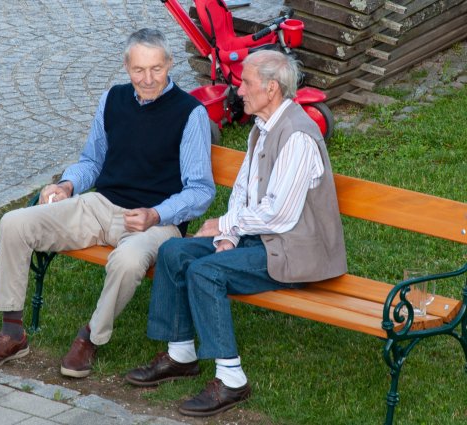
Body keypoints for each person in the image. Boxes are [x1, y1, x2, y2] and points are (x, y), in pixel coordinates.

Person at [0, 28, 215, 378]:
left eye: (156, 69)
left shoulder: (191, 114)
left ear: (170, 64)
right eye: (139, 70)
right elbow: (91, 161)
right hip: (100, 205)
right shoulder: (112, 99)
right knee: (15, 223)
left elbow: (201, 190)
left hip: (157, 221)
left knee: (128, 261)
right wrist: (68, 185)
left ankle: (90, 338)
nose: (148, 79)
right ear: (127, 67)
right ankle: (12, 333)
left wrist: (156, 213)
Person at [124, 49, 347, 417]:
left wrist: (227, 226)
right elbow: (244, 190)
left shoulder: (297, 135)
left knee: (206, 271)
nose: (238, 90)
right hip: (262, 238)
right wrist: (228, 234)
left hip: (297, 251)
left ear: (271, 88)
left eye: (245, 83)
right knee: (175, 252)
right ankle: (180, 355)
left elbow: (279, 214)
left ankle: (231, 379)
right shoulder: (263, 127)